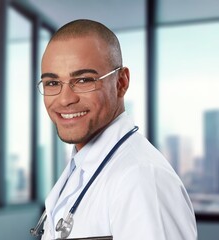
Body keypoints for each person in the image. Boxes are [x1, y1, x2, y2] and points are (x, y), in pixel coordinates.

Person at [36, 19, 197, 239]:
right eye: (52, 83)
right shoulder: (80, 168)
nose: (65, 100)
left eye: (83, 80)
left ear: (121, 82)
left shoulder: (141, 178)